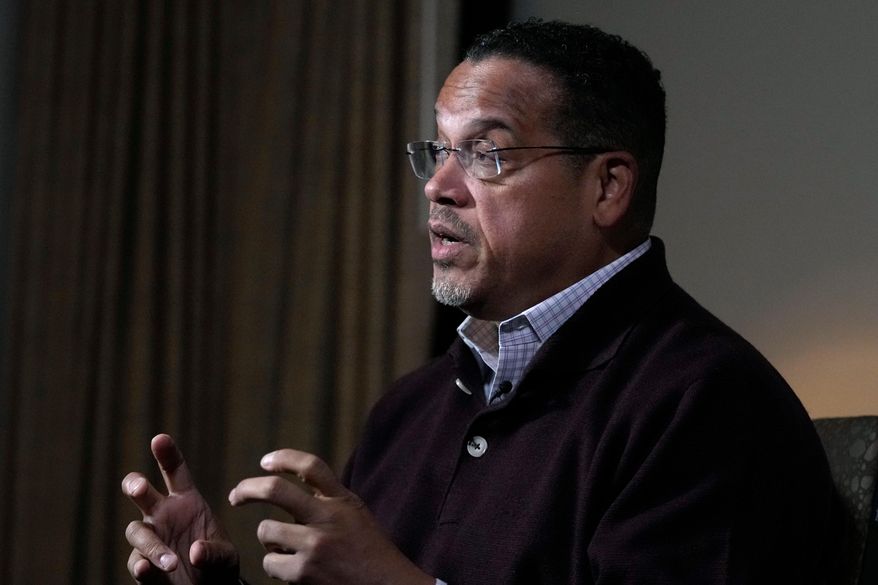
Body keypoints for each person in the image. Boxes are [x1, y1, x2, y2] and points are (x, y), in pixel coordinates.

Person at [123, 19, 842, 584]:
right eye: (436, 151)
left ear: (607, 187)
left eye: (487, 154)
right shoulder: (409, 408)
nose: (439, 185)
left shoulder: (705, 402)